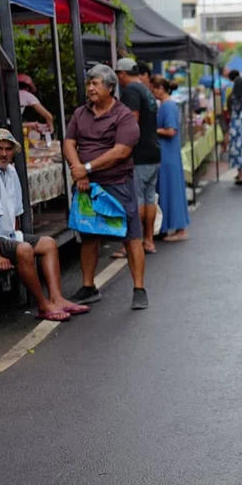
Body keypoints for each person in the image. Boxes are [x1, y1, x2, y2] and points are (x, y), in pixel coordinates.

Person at [63, 65, 147, 310]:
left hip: (117, 183)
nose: (90, 88)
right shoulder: (80, 114)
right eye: (88, 83)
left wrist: (87, 168)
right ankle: (88, 286)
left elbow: (121, 151)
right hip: (86, 184)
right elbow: (69, 143)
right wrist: (78, 169)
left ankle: (139, 288)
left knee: (131, 236)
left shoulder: (123, 116)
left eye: (96, 83)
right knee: (89, 235)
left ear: (110, 88)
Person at [0, 128, 89, 321]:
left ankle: (57, 298)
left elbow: (15, 211)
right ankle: (43, 305)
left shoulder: (10, 170)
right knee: (24, 250)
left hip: (8, 234)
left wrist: (15, 235)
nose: (4, 153)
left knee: (49, 243)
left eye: (8, 149)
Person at [115, 58, 160, 256]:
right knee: (149, 198)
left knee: (138, 198)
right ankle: (149, 240)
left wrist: (123, 149)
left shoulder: (131, 91)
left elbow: (132, 122)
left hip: (140, 154)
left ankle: (136, 242)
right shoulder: (146, 90)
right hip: (153, 151)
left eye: (118, 75)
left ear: (122, 74)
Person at [150, 75, 190, 242]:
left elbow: (171, 130)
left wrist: (153, 129)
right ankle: (168, 227)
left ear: (160, 88)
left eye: (153, 89)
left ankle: (179, 229)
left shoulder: (167, 106)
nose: (152, 92)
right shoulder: (168, 105)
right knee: (169, 191)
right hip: (168, 153)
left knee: (170, 191)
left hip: (168, 155)